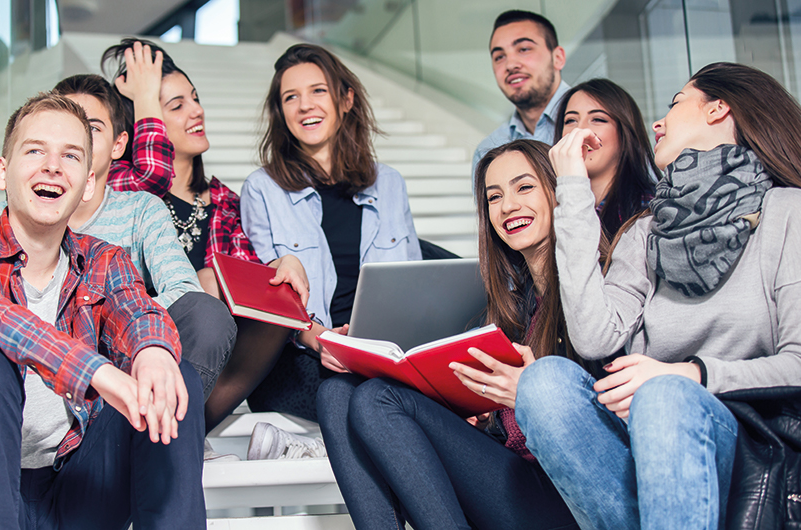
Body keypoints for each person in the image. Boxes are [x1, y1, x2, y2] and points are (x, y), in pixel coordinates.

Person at [0, 93, 205, 530]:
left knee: (171, 375)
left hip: (69, 494)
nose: (52, 166)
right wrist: (94, 371)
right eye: (35, 150)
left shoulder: (105, 260)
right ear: (3, 171)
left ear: (89, 184)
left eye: (70, 156)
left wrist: (153, 349)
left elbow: (138, 310)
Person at [516, 62, 801, 530]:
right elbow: (592, 336)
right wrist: (571, 187)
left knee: (666, 395)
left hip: (752, 442)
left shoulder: (788, 212)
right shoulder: (647, 231)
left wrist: (687, 375)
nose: (658, 122)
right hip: (645, 440)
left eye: (675, 103)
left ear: (718, 109)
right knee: (544, 382)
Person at [316, 140, 580, 530]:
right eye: (494, 197)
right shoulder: (514, 301)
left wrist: (531, 392)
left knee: (378, 398)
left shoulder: (589, 290)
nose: (508, 206)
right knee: (335, 393)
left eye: (524, 187)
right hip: (507, 468)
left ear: (560, 192)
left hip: (561, 491)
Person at [101, 39, 310, 433]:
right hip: (139, 360)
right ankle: (174, 423)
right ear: (142, 122)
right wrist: (144, 94)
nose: (197, 111)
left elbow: (250, 290)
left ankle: (192, 424)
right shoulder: (121, 186)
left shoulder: (225, 202)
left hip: (213, 375)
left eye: (194, 99)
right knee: (204, 286)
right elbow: (150, 177)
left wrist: (280, 270)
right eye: (176, 105)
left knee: (273, 291)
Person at [0, 74, 236, 403]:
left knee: (204, 312)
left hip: (123, 366)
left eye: (91, 127)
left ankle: (169, 432)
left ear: (119, 144)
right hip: (28, 370)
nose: (75, 138)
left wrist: (101, 324)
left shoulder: (137, 215)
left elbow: (183, 291)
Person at [240, 43, 422, 423]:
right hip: (304, 355)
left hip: (383, 351)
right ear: (281, 113)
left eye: (318, 91)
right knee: (351, 395)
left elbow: (413, 283)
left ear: (346, 99)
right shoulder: (262, 189)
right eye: (291, 97)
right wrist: (324, 339)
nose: (305, 105)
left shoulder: (389, 183)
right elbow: (270, 304)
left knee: (383, 393)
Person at [471, 10, 569, 185]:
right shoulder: (489, 150)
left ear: (558, 58)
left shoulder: (600, 123)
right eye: (499, 57)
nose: (510, 65)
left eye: (523, 49)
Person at [553, 78, 656, 241]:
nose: (580, 130)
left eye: (598, 119)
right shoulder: (549, 209)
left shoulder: (649, 211)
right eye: (570, 121)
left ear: (625, 133)